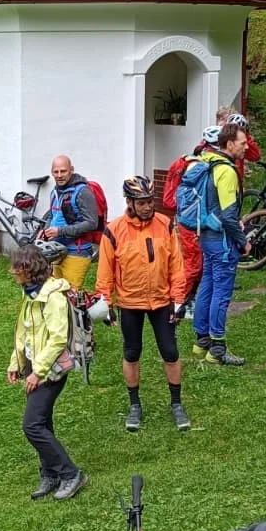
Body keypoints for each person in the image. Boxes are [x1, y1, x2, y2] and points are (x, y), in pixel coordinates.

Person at [96, 175, 189, 431]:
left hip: (161, 300)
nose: (148, 206)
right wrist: (106, 302)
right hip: (130, 302)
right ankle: (134, 405)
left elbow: (176, 265)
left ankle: (176, 404)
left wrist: (178, 299)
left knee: (170, 352)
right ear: (129, 202)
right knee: (131, 352)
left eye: (150, 201)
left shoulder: (165, 224)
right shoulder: (114, 230)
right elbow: (105, 270)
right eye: (142, 202)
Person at [7, 244, 88, 501]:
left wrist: (37, 373)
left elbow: (57, 339)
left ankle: (71, 474)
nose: (12, 271)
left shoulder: (52, 296)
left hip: (50, 370)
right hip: (35, 366)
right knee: (42, 422)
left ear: (29, 269)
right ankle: (50, 473)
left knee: (31, 425)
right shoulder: (30, 293)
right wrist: (16, 363)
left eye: (17, 268)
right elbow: (23, 331)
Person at [191, 122, 251, 366]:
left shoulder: (207, 161)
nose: (247, 147)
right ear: (230, 144)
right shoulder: (226, 171)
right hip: (222, 242)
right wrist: (243, 241)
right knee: (221, 293)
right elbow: (227, 216)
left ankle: (201, 341)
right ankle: (217, 349)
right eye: (243, 143)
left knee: (206, 286)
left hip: (206, 236)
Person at [178, 125, 222, 319]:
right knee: (193, 265)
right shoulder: (202, 166)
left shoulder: (200, 162)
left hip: (196, 222)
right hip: (193, 224)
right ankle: (178, 303)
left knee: (199, 265)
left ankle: (189, 301)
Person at [40, 155, 98, 289]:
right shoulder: (54, 192)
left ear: (71, 170)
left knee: (72, 294)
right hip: (56, 251)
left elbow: (92, 223)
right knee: (57, 293)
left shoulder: (82, 192)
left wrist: (60, 231)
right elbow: (52, 215)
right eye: (56, 172)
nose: (59, 175)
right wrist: (45, 230)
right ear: (52, 172)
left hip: (77, 251)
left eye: (63, 171)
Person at [216, 108, 261, 183]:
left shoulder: (239, 141)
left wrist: (243, 135)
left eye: (223, 119)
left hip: (237, 180)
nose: (220, 123)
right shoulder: (212, 138)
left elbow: (255, 156)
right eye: (219, 119)